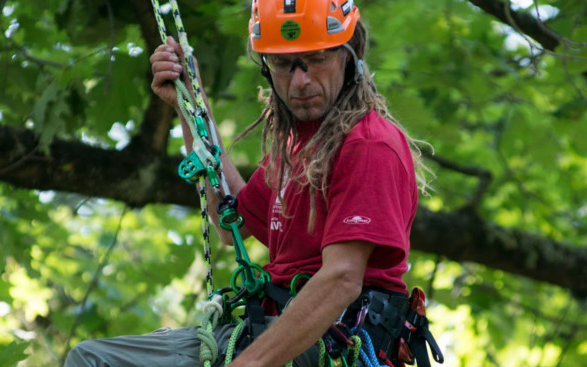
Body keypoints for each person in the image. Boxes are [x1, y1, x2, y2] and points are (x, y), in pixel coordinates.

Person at [65, 1, 439, 366]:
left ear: (349, 54)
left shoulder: (368, 144)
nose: (300, 79)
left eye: (318, 58)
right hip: (274, 328)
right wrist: (192, 105)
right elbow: (234, 223)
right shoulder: (300, 148)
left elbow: (342, 278)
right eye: (282, 63)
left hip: (332, 337)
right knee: (92, 357)